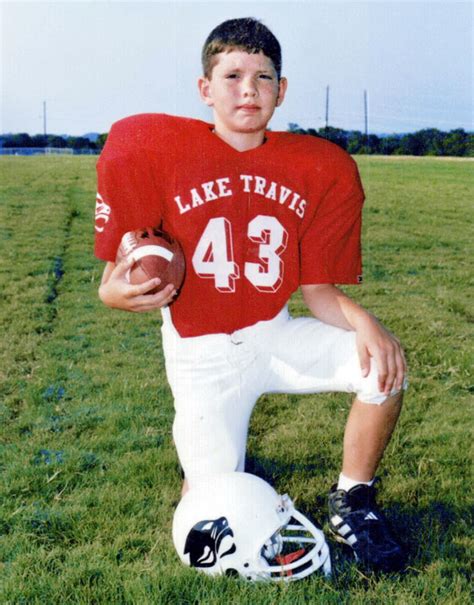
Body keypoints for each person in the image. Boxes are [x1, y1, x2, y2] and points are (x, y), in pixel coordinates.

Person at [94, 17, 408, 573]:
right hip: (201, 356)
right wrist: (112, 293)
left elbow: (317, 289)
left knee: (380, 367)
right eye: (233, 74)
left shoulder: (317, 165)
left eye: (264, 77)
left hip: (274, 332)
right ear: (204, 88)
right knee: (209, 512)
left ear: (281, 90)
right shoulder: (157, 149)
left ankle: (353, 499)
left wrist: (366, 323)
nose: (249, 89)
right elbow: (121, 269)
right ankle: (216, 464)